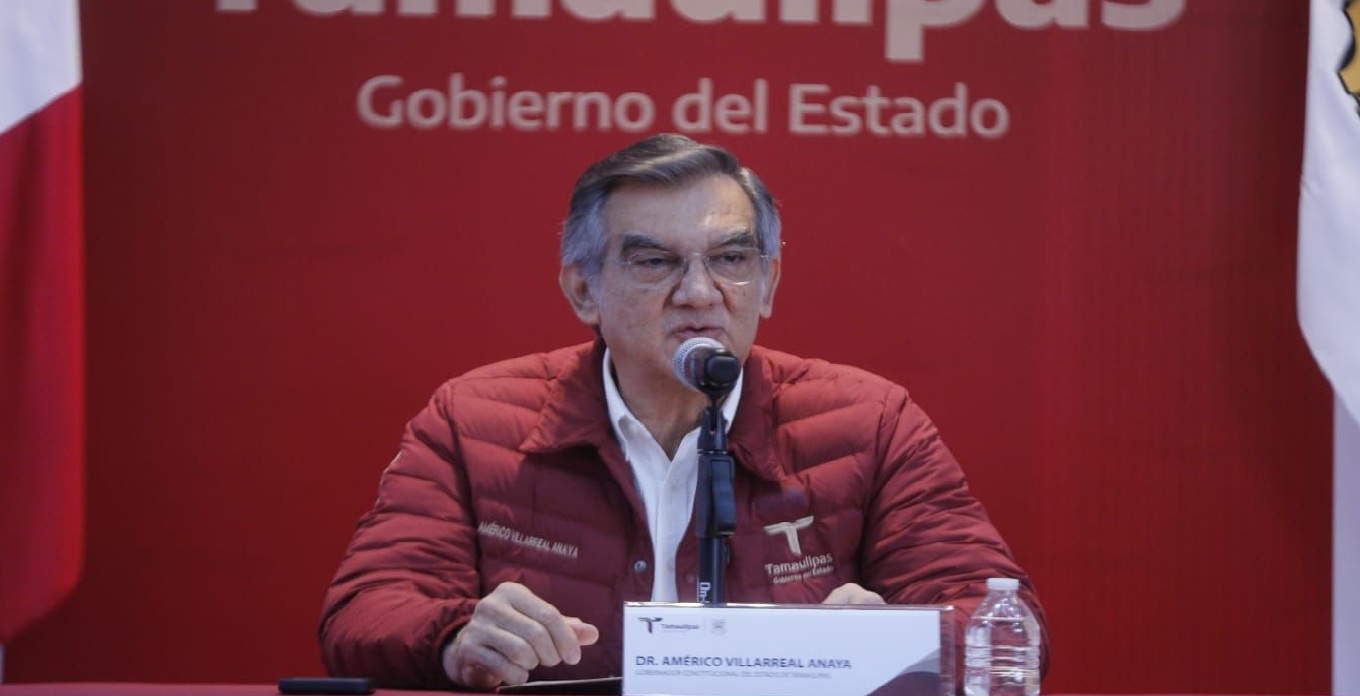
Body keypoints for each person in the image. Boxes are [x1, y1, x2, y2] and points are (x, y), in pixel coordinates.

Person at [319, 133, 1048, 690]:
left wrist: (896, 640)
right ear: (582, 291)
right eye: (654, 262)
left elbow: (1005, 627)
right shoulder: (474, 419)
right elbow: (366, 610)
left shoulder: (869, 422)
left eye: (730, 261)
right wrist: (456, 639)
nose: (699, 293)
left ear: (768, 283)